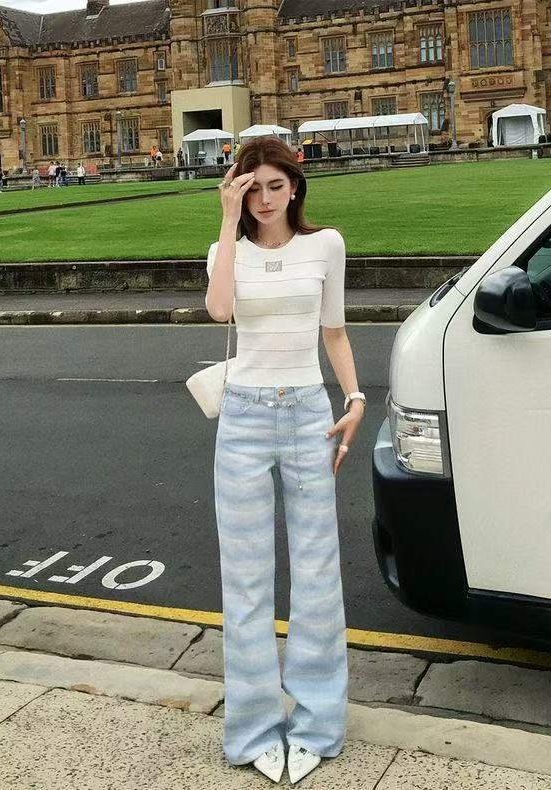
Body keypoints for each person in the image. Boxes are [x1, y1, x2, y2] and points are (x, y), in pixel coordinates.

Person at [204, 137, 364, 784]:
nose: (265, 199)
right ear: (238, 190)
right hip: (242, 416)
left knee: (318, 572)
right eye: (253, 187)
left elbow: (334, 331)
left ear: (295, 187)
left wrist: (354, 398)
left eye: (276, 185)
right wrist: (226, 220)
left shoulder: (327, 245)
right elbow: (219, 310)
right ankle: (251, 731)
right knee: (245, 580)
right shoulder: (226, 250)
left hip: (307, 413)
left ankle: (318, 726)